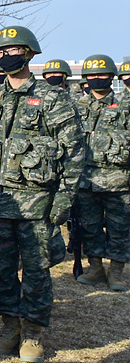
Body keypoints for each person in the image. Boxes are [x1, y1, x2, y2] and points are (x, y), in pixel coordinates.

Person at [0, 26, 85, 362]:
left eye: (14, 50)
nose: (7, 56)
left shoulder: (52, 98)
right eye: (1, 52)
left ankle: (33, 331)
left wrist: (62, 201)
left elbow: (74, 152)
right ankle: (9, 325)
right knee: (1, 268)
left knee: (35, 270)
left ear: (29, 53)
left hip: (38, 205)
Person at [73, 54, 130, 292]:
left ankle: (116, 270)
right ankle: (95, 267)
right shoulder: (76, 106)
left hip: (119, 180)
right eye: (92, 75)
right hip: (86, 181)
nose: (97, 79)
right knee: (89, 225)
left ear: (111, 77)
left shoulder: (126, 105)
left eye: (102, 74)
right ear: (86, 78)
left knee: (121, 227)